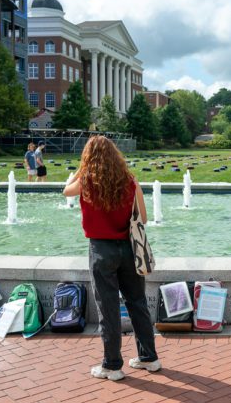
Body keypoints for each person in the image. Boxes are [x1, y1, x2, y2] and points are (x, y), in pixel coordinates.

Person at [63, 136, 160, 381]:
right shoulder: (129, 181)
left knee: (108, 308)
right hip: (129, 248)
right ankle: (149, 357)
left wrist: (81, 169)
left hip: (101, 250)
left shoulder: (85, 181)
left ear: (88, 159)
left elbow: (66, 191)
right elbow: (144, 219)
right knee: (137, 302)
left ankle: (112, 365)